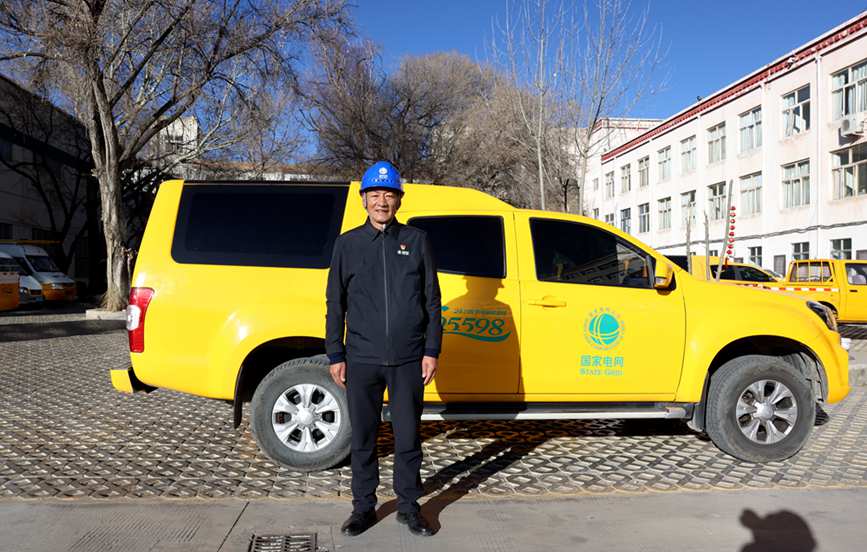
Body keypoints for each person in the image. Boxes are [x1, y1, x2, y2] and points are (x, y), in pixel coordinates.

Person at [325, 160, 442, 537]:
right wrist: (336, 353)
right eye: (374, 194)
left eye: (388, 194)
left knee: (408, 437)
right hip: (361, 358)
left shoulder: (416, 241)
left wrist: (431, 350)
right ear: (363, 200)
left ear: (399, 200)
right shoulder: (347, 245)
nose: (381, 201)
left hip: (409, 359)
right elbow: (335, 303)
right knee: (363, 438)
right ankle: (363, 507)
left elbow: (432, 300)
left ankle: (409, 507)